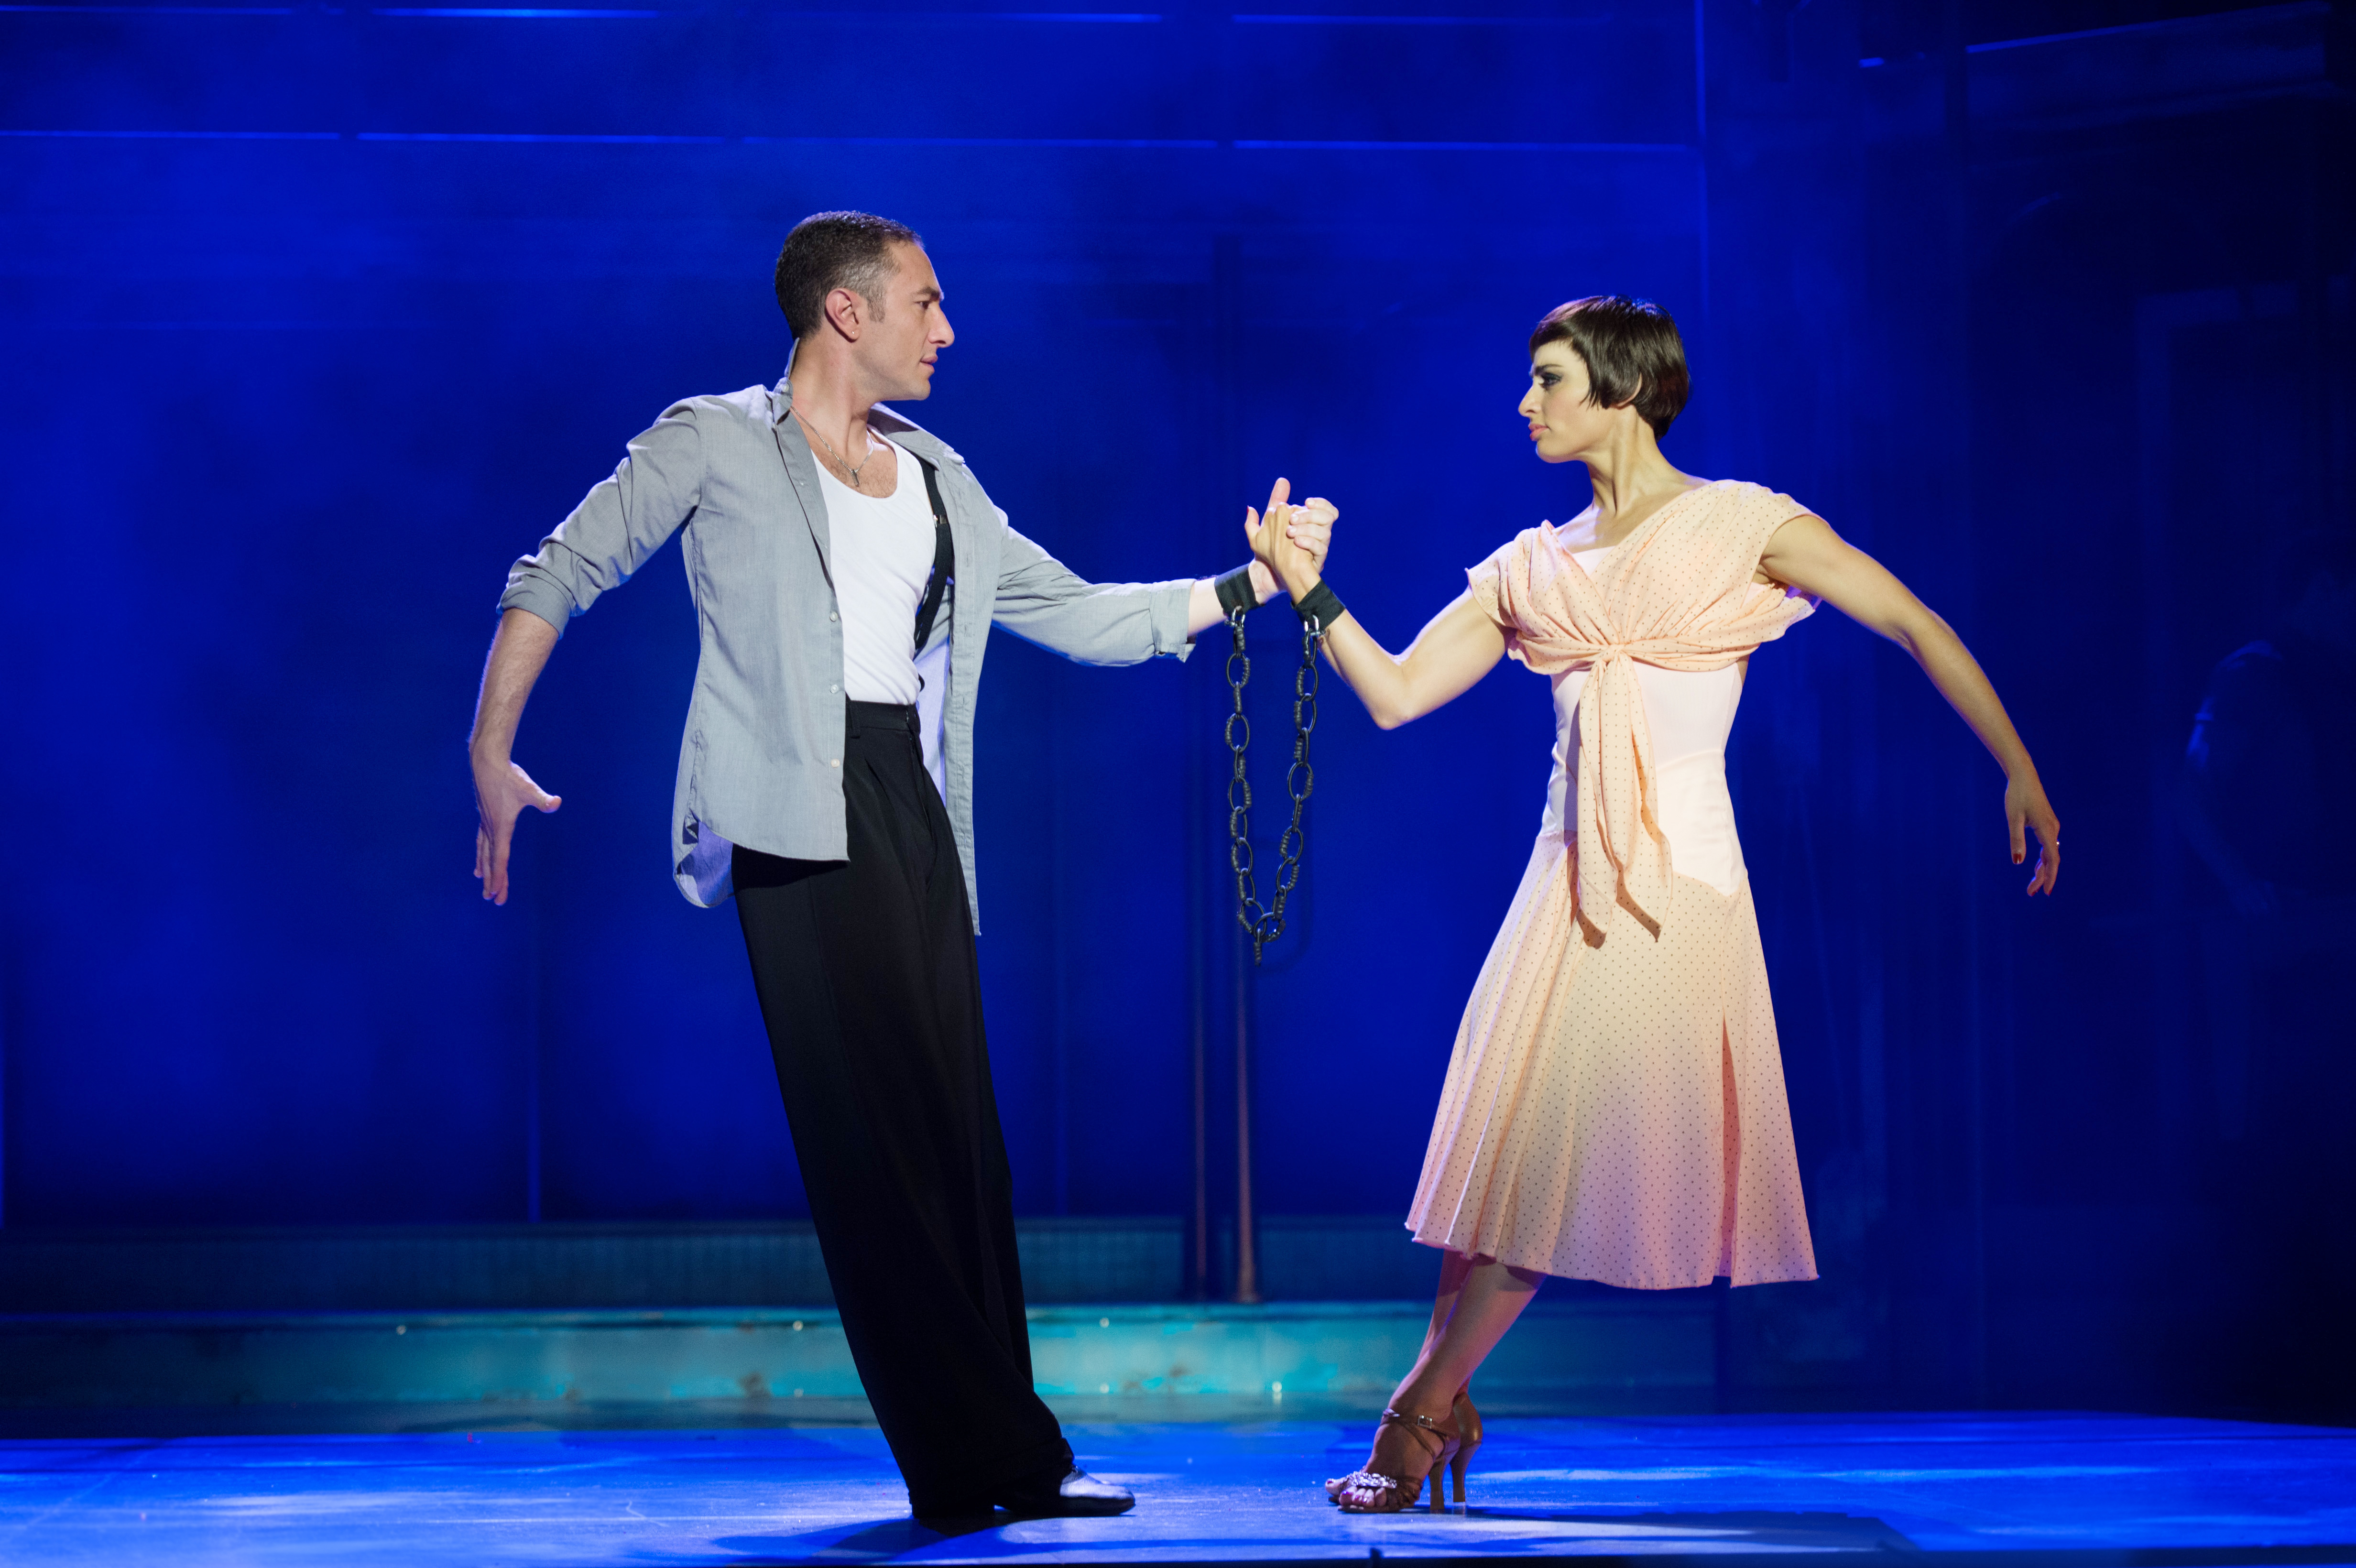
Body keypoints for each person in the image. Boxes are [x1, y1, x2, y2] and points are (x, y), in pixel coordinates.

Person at [465, 210, 1331, 1519]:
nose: (948, 329)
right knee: (873, 1153)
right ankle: (969, 1462)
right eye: (926, 302)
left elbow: (1079, 613)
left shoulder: (940, 478)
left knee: (961, 1145)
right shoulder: (713, 438)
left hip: (914, 810)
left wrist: (1250, 587)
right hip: (795, 814)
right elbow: (559, 570)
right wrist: (491, 748)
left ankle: (1012, 1458)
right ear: (846, 311)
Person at [1245, 295, 2060, 1513]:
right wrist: (1308, 589)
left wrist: (2016, 763)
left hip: (1674, 892)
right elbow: (1398, 693)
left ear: (1621, 388)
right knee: (1501, 1166)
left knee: (1547, 1166)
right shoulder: (1532, 565)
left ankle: (1414, 1413)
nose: (1525, 404)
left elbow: (1909, 618)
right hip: (1560, 885)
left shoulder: (1740, 525)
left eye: (1549, 380)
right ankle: (1443, 1393)